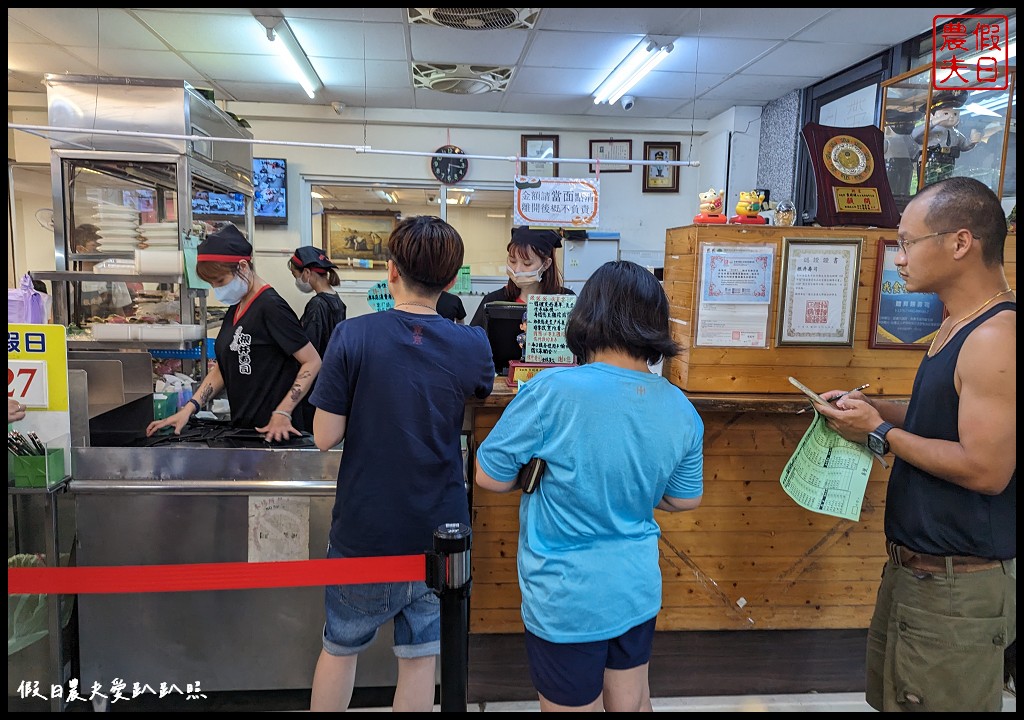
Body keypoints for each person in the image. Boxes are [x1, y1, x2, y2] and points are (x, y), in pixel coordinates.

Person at [815, 176, 1015, 712]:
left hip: (958, 585)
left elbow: (985, 468)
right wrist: (876, 411)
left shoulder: (996, 336)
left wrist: (879, 433)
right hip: (915, 574)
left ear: (960, 242)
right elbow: (939, 421)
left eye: (907, 242)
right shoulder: (956, 326)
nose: (898, 258)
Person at [474, 260, 705, 712]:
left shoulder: (552, 390)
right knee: (632, 701)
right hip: (636, 585)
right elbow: (684, 497)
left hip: (566, 594)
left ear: (587, 316)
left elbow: (489, 475)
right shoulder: (680, 407)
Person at [308, 215, 494, 712]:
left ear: (391, 270)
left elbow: (324, 436)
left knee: (339, 650)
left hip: (364, 531)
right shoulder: (472, 344)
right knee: (419, 661)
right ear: (452, 280)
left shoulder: (352, 335)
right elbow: (479, 408)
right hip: (440, 533)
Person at [145, 224, 322, 442]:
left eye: (220, 281)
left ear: (243, 267)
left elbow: (312, 362)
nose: (217, 289)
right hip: (245, 428)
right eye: (212, 283)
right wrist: (190, 407)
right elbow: (224, 367)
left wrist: (283, 411)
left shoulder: (271, 307)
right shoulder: (236, 307)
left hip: (276, 431)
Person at [469, 226, 574, 335]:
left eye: (527, 264)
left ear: (546, 264)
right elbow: (473, 342)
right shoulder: (493, 301)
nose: (517, 270)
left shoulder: (567, 300)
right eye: (512, 261)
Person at [287, 246, 347, 431]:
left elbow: (309, 350)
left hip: (313, 384)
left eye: (295, 275)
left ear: (306, 272)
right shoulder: (337, 301)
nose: (297, 280)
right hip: (329, 382)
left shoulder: (317, 305)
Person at [912, 90, 979, 186]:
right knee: (929, 185)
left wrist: (972, 141)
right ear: (931, 116)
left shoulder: (955, 133)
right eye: (946, 114)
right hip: (931, 158)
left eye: (955, 114)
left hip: (949, 159)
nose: (951, 117)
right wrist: (934, 122)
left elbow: (963, 146)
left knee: (945, 185)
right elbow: (914, 135)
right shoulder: (929, 129)